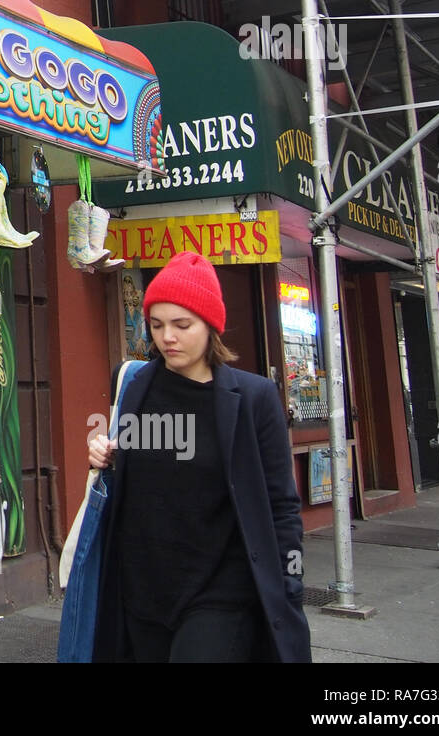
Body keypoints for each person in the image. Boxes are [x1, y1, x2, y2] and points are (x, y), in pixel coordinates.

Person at [86, 252, 311, 662]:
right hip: (143, 588)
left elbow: (281, 502)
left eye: (181, 325)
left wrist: (290, 581)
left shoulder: (253, 399)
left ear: (210, 325)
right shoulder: (136, 387)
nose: (167, 337)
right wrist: (104, 455)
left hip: (220, 592)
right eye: (157, 325)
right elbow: (137, 470)